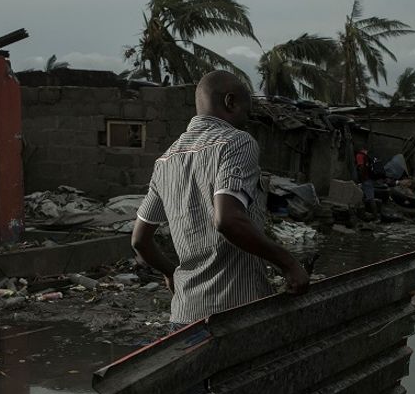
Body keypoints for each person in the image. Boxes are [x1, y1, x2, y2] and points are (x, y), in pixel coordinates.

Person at [131, 70, 309, 330]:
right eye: (246, 114)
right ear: (230, 102)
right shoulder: (237, 142)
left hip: (184, 316)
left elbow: (139, 241)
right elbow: (227, 219)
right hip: (235, 315)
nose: (245, 122)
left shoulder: (166, 160)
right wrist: (289, 263)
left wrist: (171, 274)